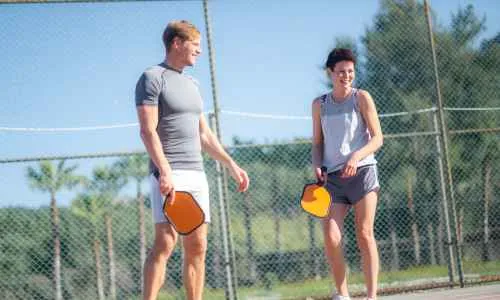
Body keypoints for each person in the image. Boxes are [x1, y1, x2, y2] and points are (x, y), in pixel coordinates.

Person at [135, 20, 250, 300]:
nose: (199, 51)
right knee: (165, 242)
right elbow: (147, 130)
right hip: (169, 171)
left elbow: (204, 134)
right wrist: (164, 171)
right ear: (177, 43)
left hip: (196, 173)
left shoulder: (193, 84)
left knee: (198, 245)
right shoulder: (152, 77)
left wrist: (232, 165)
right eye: (194, 45)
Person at [311, 48, 383, 300]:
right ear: (330, 72)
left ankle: (371, 295)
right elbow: (317, 143)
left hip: (363, 172)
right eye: (341, 71)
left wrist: (356, 156)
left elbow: (378, 138)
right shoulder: (319, 104)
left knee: (364, 233)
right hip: (333, 179)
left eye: (350, 71)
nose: (346, 76)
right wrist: (317, 164)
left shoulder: (361, 98)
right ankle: (343, 294)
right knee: (331, 236)